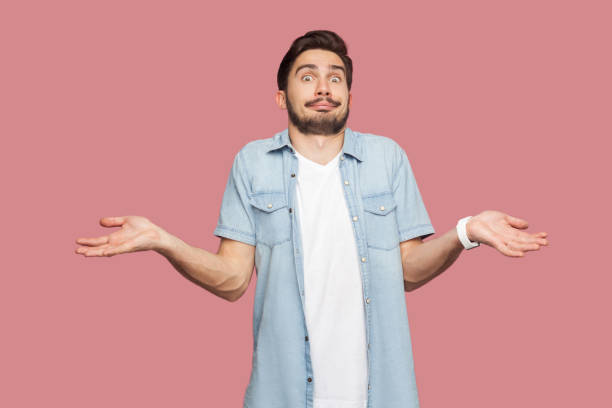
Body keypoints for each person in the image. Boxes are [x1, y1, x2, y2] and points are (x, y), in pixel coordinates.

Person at [75, 30, 548, 408]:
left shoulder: (388, 157)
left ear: (348, 92)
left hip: (380, 395)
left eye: (335, 77)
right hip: (282, 395)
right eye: (307, 76)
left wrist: (465, 232)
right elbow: (233, 279)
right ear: (281, 96)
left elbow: (410, 269)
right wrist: (165, 241)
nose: (323, 87)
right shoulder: (252, 162)